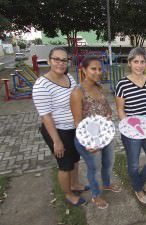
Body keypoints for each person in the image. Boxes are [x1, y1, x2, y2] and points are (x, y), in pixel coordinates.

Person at [32, 47, 87, 206]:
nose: (61, 63)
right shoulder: (42, 85)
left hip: (73, 128)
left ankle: (75, 184)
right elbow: (46, 116)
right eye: (57, 59)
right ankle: (69, 194)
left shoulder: (69, 77)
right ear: (49, 61)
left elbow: (77, 99)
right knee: (65, 165)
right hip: (56, 131)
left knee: (76, 159)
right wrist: (56, 141)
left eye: (64, 60)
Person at [70, 55, 121, 209]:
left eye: (99, 69)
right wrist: (89, 143)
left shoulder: (99, 87)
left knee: (109, 162)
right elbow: (78, 122)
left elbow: (105, 108)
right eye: (93, 69)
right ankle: (96, 195)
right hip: (89, 140)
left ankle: (106, 184)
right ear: (83, 70)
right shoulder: (77, 92)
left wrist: (109, 115)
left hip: (105, 136)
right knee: (94, 168)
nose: (98, 72)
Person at [115, 47, 146, 205]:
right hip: (130, 131)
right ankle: (138, 188)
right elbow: (120, 109)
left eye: (142, 62)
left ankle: (139, 182)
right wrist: (129, 127)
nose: (139, 65)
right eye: (136, 62)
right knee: (133, 164)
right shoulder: (122, 84)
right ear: (129, 63)